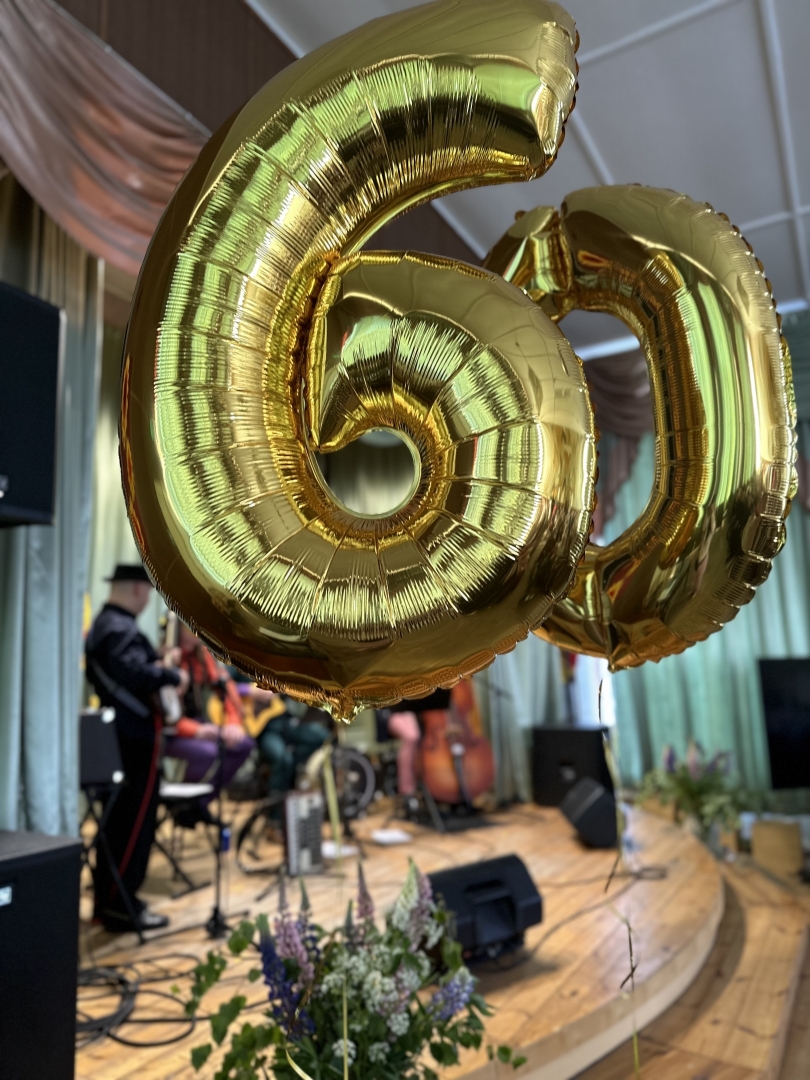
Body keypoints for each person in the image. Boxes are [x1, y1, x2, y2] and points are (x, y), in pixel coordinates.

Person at [85, 564, 189, 933]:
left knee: (122, 824)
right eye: (147, 592)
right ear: (136, 590)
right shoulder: (118, 628)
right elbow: (133, 673)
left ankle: (113, 901)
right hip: (133, 742)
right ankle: (121, 905)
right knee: (132, 826)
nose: (147, 600)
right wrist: (172, 674)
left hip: (124, 739)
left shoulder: (109, 626)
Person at [162, 624, 255, 824]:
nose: (192, 636)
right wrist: (197, 730)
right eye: (187, 629)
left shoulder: (202, 655)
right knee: (207, 753)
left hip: (196, 724)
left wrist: (233, 722)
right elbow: (165, 714)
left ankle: (200, 802)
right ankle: (182, 805)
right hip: (170, 731)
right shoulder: (165, 657)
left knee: (243, 744)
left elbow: (226, 687)